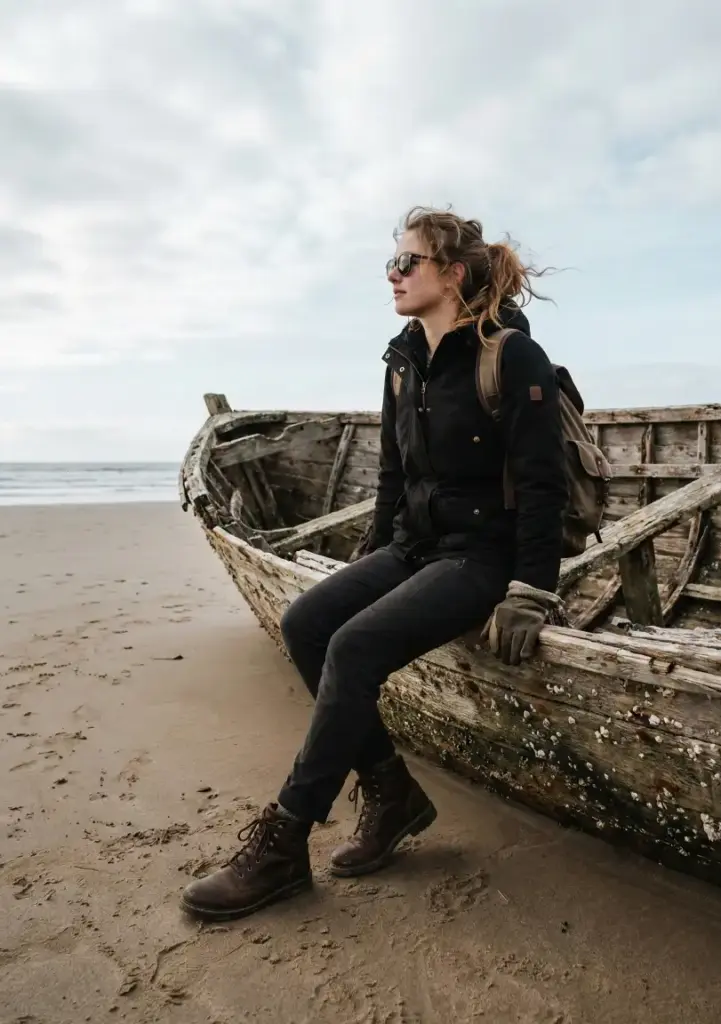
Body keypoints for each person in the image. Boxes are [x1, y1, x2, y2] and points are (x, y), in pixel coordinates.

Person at [180, 205, 570, 921]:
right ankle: (391, 794)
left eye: (407, 262)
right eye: (390, 263)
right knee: (307, 622)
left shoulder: (509, 355)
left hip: (483, 556)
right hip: (414, 545)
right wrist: (368, 568)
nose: (392, 274)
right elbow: (392, 474)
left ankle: (284, 841)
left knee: (354, 647)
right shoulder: (401, 359)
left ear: (450, 274)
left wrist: (530, 591)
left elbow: (543, 482)